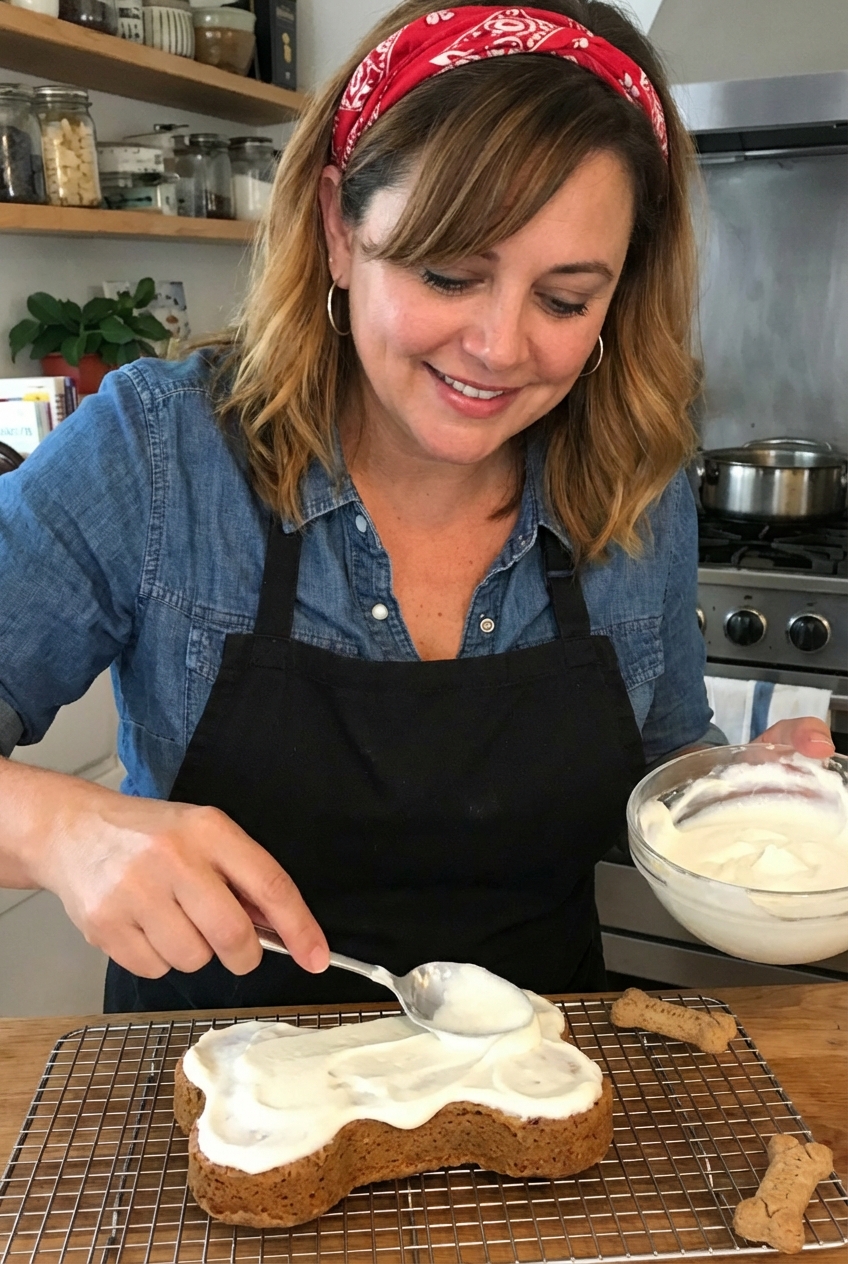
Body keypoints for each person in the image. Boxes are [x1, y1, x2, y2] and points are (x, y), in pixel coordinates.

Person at [0, 1, 834, 1012]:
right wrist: (58, 828)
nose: (499, 347)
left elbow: (663, 758)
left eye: (565, 299)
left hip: (530, 1072)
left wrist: (743, 791)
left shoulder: (637, 483)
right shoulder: (158, 453)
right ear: (338, 229)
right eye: (448, 273)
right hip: (213, 1086)